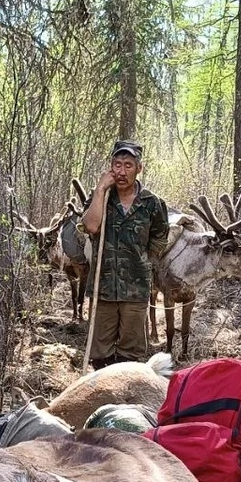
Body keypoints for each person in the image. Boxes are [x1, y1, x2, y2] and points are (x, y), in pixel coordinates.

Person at [77, 139, 169, 368]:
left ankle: (126, 388)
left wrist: (143, 260)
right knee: (100, 353)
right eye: (117, 164)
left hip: (136, 289)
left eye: (128, 165)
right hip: (103, 287)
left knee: (131, 353)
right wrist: (100, 190)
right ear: (110, 167)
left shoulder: (152, 203)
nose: (122, 171)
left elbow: (160, 238)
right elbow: (91, 226)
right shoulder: (101, 197)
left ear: (139, 168)